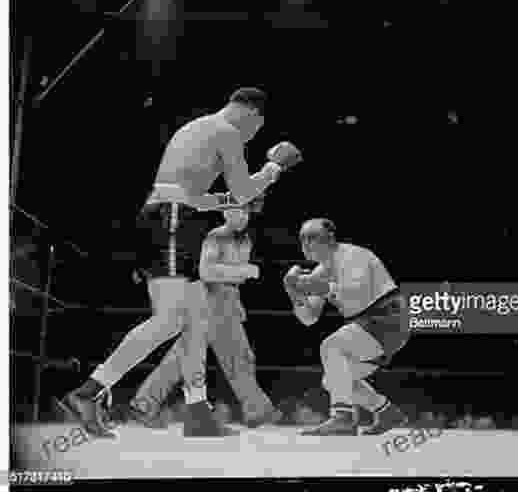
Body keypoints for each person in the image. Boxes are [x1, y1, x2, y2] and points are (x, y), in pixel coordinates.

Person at [57, 87, 302, 438]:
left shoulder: (197, 128)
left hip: (171, 216)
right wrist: (274, 168)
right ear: (253, 116)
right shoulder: (228, 132)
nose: (252, 137)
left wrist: (232, 194)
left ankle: (197, 413)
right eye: (256, 131)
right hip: (171, 220)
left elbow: (197, 196)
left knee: (195, 321)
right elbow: (245, 192)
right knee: (170, 319)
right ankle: (89, 391)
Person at [121, 194, 282, 429]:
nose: (242, 215)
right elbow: (207, 271)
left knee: (183, 358)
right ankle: (258, 409)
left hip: (223, 301)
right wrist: (244, 271)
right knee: (237, 356)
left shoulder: (244, 239)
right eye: (237, 210)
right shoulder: (216, 236)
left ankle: (143, 404)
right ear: (226, 212)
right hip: (212, 300)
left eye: (245, 211)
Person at [283, 218, 410, 436]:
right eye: (302, 238)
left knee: (331, 346)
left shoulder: (352, 255)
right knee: (333, 379)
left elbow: (355, 293)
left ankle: (343, 417)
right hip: (371, 325)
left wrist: (311, 285)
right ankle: (387, 411)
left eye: (312, 237)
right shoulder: (322, 271)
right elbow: (309, 318)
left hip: (388, 317)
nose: (306, 243)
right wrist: (293, 293)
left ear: (330, 238)